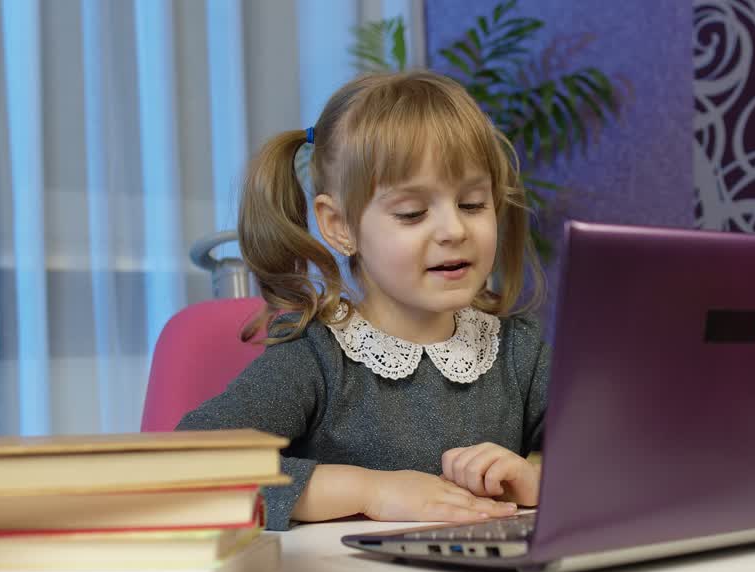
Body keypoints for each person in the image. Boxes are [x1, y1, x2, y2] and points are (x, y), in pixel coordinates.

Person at [178, 71, 549, 531]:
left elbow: (616, 455)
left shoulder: (519, 350)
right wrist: (370, 490)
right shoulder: (315, 356)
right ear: (340, 225)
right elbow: (190, 465)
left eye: (473, 204)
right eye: (412, 213)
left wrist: (536, 478)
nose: (454, 231)